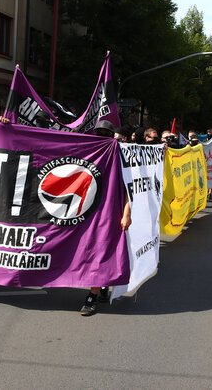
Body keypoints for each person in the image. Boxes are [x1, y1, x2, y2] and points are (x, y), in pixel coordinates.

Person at [80, 120, 132, 316]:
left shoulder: (119, 155)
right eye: (98, 133)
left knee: (100, 252)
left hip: (110, 212)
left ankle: (91, 297)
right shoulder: (87, 152)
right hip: (87, 212)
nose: (101, 138)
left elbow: (129, 186)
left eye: (106, 134)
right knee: (87, 252)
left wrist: (126, 213)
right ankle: (100, 285)